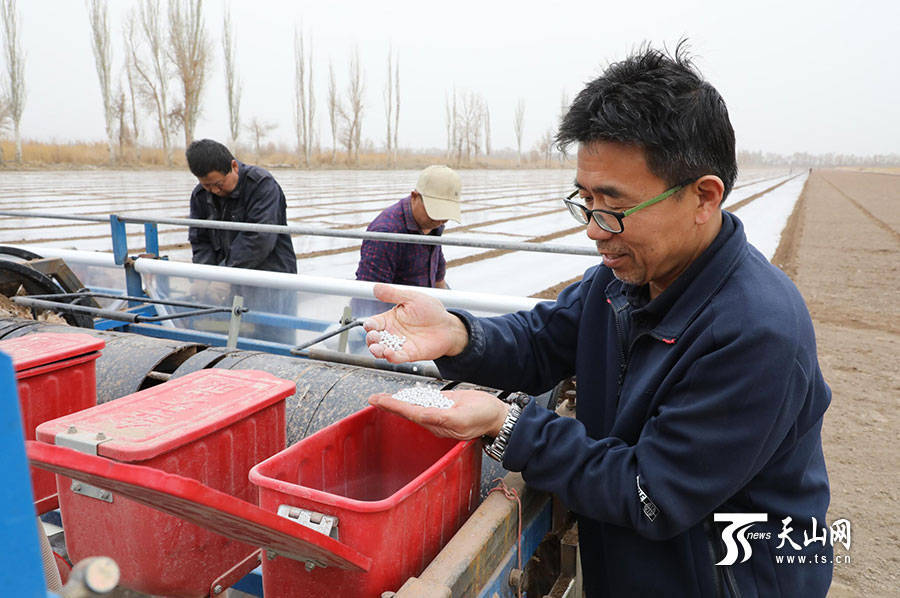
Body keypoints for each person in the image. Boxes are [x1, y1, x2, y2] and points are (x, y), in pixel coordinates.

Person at [364, 45, 832, 597]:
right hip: (635, 566)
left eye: (611, 205)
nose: (593, 229)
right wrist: (461, 333)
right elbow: (544, 339)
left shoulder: (756, 333)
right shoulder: (624, 277)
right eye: (583, 200)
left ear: (703, 197)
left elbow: (650, 492)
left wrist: (506, 424)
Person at [186, 139, 297, 343]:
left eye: (218, 184)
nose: (214, 191)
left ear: (234, 166)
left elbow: (258, 239)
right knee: (232, 340)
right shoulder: (201, 195)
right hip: (228, 283)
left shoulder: (261, 185)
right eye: (206, 185)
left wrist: (226, 276)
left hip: (269, 280)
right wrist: (204, 275)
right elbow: (200, 240)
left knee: (274, 341)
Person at [355, 165, 461, 290]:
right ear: (415, 197)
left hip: (423, 303)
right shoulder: (386, 233)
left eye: (445, 213)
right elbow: (370, 295)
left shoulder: (433, 225)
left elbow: (438, 280)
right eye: (435, 212)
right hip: (395, 307)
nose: (441, 220)